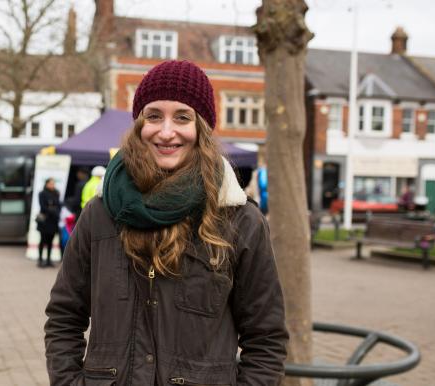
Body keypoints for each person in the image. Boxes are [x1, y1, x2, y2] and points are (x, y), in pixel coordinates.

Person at [44, 60, 288, 385]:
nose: (166, 131)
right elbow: (64, 316)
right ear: (139, 125)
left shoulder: (240, 221)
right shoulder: (100, 215)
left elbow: (266, 339)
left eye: (182, 117)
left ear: (201, 128)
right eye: (154, 115)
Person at [37, 177, 62, 268]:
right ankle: (40, 259)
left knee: (50, 241)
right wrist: (52, 208)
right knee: (43, 240)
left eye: (53, 183)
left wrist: (52, 207)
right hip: (44, 221)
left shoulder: (56, 193)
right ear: (46, 184)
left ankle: (48, 260)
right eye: (51, 183)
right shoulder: (42, 193)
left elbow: (58, 205)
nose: (52, 185)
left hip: (53, 221)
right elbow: (43, 207)